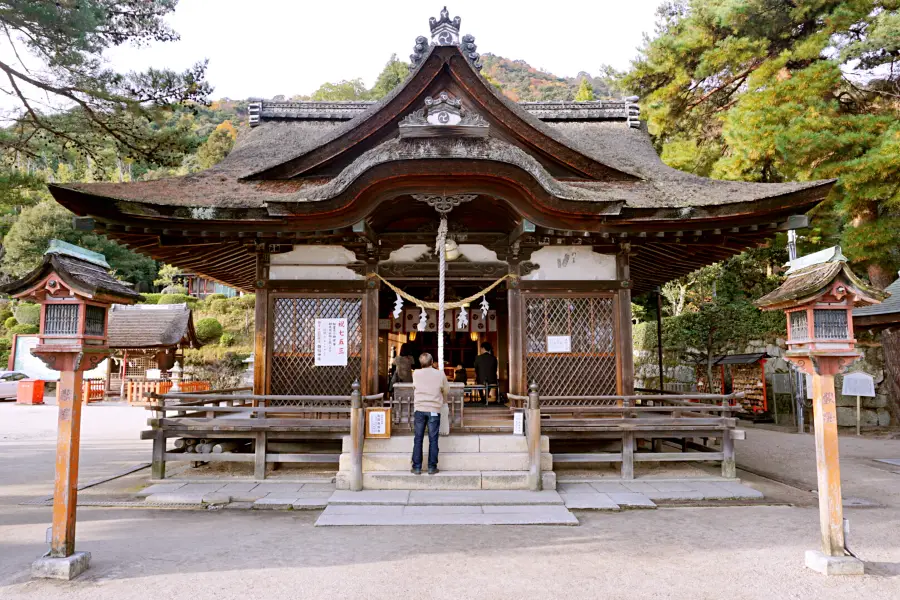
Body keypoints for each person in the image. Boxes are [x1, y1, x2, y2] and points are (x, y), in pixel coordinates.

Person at [410, 352, 448, 475]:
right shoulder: (440, 374)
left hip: (420, 409)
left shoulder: (416, 373)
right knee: (433, 439)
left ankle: (416, 467)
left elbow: (414, 387)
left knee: (418, 438)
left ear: (420, 363)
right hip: (434, 409)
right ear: (432, 362)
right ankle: (432, 467)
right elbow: (446, 389)